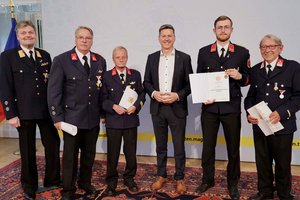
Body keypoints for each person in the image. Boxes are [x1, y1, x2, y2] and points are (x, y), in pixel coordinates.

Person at [0, 20, 61, 199]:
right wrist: (11, 114)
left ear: (35, 35)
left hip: (45, 111)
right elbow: (5, 87)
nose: (28, 35)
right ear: (18, 36)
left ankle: (52, 180)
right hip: (23, 112)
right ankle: (29, 186)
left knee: (53, 145)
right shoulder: (7, 56)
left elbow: (51, 85)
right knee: (27, 150)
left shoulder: (45, 55)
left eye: (30, 32)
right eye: (24, 33)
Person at [47, 26, 106, 199]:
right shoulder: (62, 60)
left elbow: (100, 91)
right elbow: (54, 92)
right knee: (70, 157)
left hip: (92, 118)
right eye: (81, 37)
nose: (84, 40)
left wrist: (103, 113)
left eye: (88, 38)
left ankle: (85, 182)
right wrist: (56, 117)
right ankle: (68, 188)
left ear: (92, 40)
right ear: (75, 39)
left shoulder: (99, 61)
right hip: (71, 119)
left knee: (89, 154)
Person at [195, 16, 250, 200]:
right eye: (220, 27)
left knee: (233, 149)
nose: (223, 30)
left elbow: (248, 80)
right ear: (214, 31)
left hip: (231, 108)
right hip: (209, 108)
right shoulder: (203, 52)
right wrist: (203, 97)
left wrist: (239, 76)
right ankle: (207, 180)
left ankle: (232, 183)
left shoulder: (242, 52)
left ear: (232, 30)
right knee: (208, 147)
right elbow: (200, 79)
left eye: (227, 27)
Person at [244, 34, 300, 200]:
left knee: (282, 163)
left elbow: (298, 96)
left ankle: (283, 193)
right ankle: (265, 191)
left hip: (283, 126)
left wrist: (282, 113)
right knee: (262, 162)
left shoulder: (292, 67)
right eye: (264, 47)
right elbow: (249, 97)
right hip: (260, 126)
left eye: (271, 46)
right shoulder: (255, 70)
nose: (267, 50)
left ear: (280, 48)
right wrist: (249, 113)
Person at [143, 24, 193, 194]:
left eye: (169, 35)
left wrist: (177, 95)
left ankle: (179, 178)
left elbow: (189, 85)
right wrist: (154, 93)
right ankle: (161, 175)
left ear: (174, 37)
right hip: (157, 108)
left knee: (179, 146)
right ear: (159, 38)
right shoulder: (151, 58)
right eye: (163, 36)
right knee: (160, 146)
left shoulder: (184, 58)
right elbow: (146, 82)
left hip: (177, 108)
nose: (166, 38)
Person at [101, 46, 146, 196]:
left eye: (123, 57)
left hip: (130, 120)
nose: (121, 59)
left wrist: (135, 106)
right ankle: (111, 182)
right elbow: (102, 99)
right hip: (113, 121)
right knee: (113, 153)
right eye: (118, 57)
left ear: (127, 57)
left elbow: (142, 94)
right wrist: (113, 106)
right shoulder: (106, 76)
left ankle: (129, 178)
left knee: (130, 152)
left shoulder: (135, 75)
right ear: (113, 59)